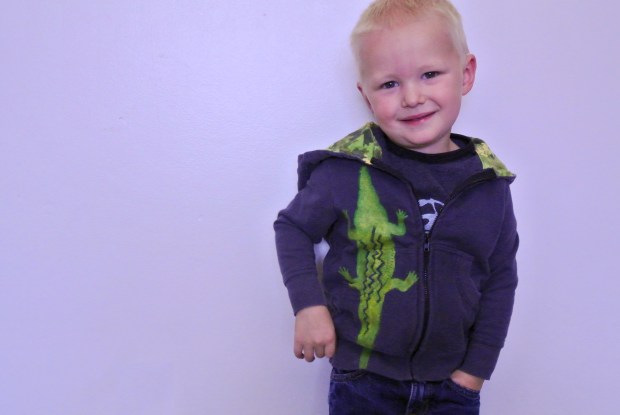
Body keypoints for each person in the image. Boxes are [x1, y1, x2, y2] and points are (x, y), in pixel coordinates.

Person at [274, 0, 518, 413]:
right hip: (363, 382)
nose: (412, 97)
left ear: (466, 74)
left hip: (452, 387)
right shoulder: (346, 170)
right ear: (366, 95)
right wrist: (308, 305)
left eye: (430, 74)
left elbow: (500, 279)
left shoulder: (488, 185)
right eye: (389, 84)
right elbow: (293, 228)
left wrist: (476, 371)